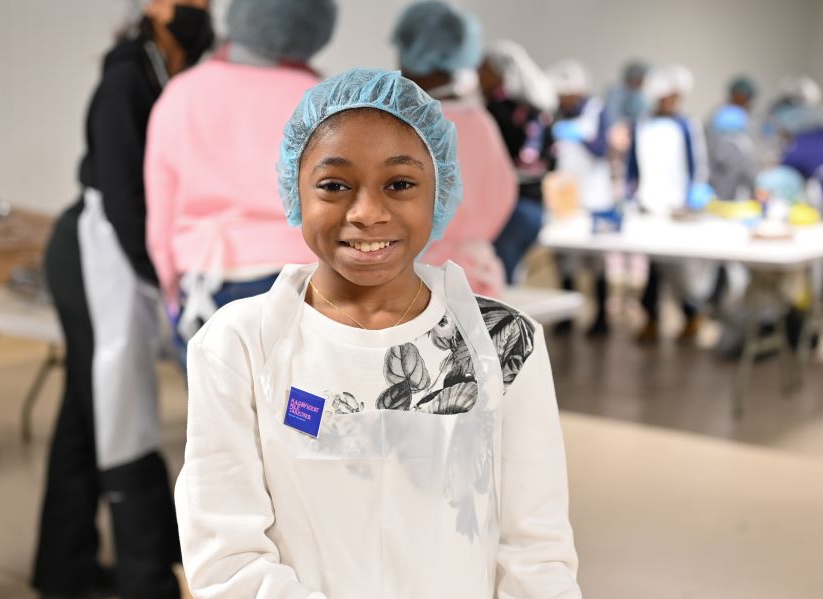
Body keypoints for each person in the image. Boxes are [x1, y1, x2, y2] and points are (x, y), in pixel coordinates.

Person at [175, 66, 581, 599]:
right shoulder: (240, 345)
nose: (367, 213)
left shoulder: (504, 343)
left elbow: (536, 551)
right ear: (295, 191)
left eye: (400, 184)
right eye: (335, 185)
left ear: (438, 193)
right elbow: (228, 560)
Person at [32, 1, 214, 598]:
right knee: (116, 405)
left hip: (129, 247)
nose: (200, 6)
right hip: (96, 250)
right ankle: (146, 577)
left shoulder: (186, 69)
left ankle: (63, 569)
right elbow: (122, 193)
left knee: (84, 416)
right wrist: (164, 280)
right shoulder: (125, 77)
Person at [145, 0, 337, 365]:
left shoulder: (181, 94)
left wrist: (172, 286)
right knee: (300, 415)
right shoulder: (323, 100)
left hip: (205, 281)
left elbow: (161, 212)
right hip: (302, 282)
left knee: (218, 415)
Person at [391, 0, 517, 296]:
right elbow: (503, 195)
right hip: (478, 279)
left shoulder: (409, 125)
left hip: (415, 283)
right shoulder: (480, 121)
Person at [627, 64, 712, 343]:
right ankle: (652, 318)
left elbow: (697, 163)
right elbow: (634, 163)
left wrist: (694, 194)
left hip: (677, 208)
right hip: (649, 205)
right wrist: (630, 193)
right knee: (652, 267)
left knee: (677, 269)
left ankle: (691, 315)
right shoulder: (642, 123)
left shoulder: (687, 125)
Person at [478, 40, 558, 283]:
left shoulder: (496, 112)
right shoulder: (538, 113)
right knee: (510, 278)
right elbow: (553, 164)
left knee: (501, 287)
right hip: (534, 208)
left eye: (482, 70)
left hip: (510, 209)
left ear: (499, 74)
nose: (477, 77)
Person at [546, 59, 614, 336]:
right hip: (565, 198)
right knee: (565, 259)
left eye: (566, 95)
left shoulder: (597, 111)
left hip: (595, 197)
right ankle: (568, 316)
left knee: (596, 260)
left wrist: (579, 136)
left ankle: (601, 318)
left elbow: (601, 149)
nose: (563, 100)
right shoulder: (558, 115)